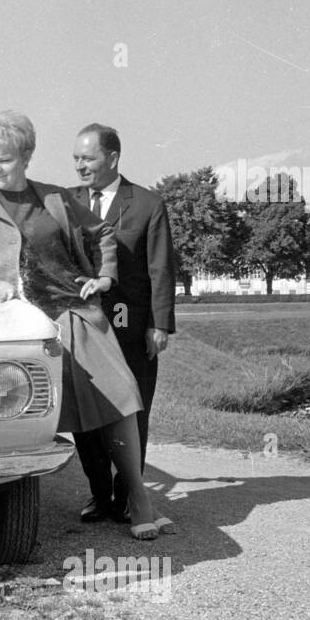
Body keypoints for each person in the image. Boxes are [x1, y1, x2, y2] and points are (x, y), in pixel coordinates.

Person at [0, 111, 172, 541]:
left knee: (120, 397)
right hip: (22, 324)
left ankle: (140, 500)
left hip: (75, 312)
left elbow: (103, 233)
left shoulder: (55, 199)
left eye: (6, 161)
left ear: (27, 157)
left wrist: (105, 275)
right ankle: (10, 514)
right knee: (35, 413)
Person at [69, 124, 177, 523]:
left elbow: (161, 268)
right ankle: (99, 494)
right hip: (83, 330)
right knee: (85, 416)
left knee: (134, 413)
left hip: (132, 330)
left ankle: (128, 495)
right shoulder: (65, 203)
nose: (80, 166)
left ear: (112, 159)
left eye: (88, 158)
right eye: (76, 159)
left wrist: (159, 325)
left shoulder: (148, 204)